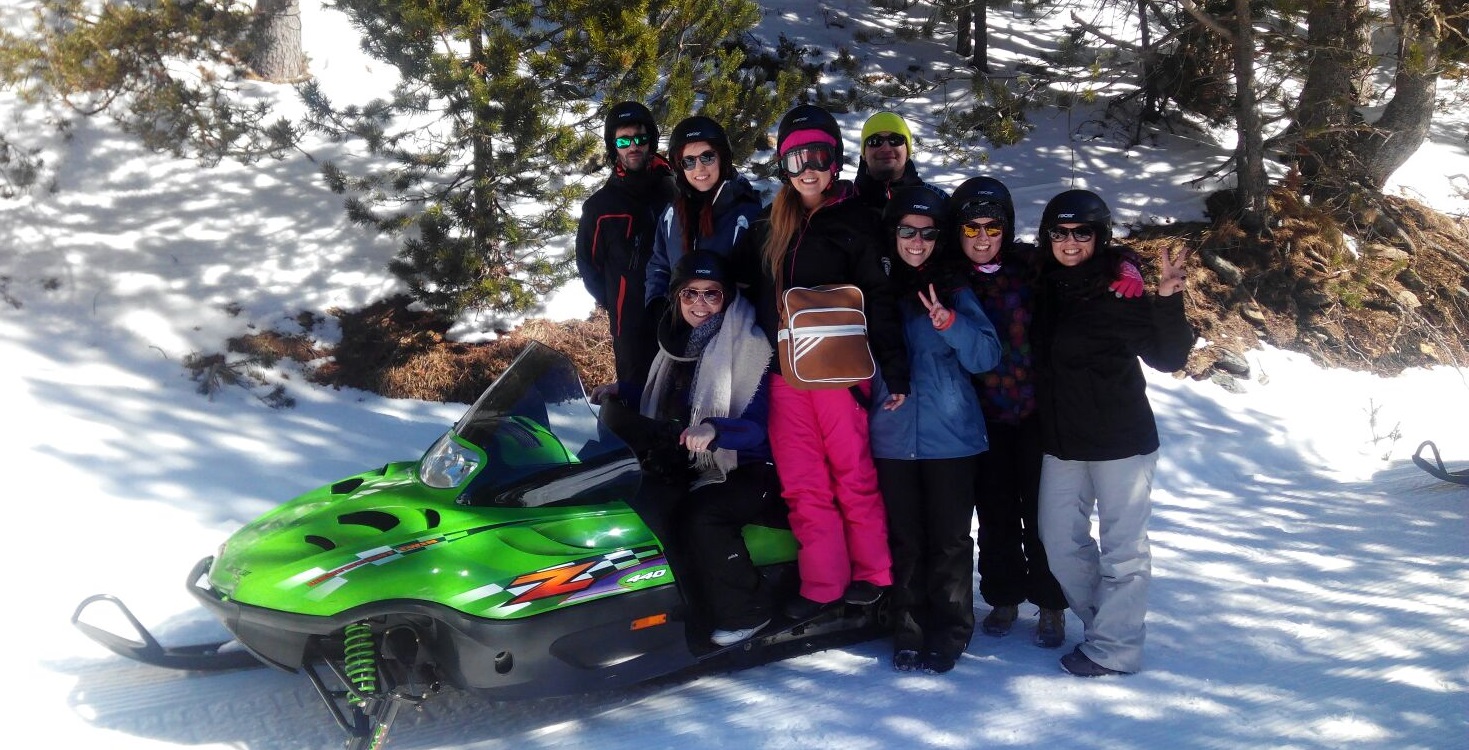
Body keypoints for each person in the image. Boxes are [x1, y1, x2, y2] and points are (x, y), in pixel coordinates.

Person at [734, 103, 910, 619]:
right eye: (795, 159)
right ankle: (822, 584)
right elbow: (736, 282)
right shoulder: (769, 223)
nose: (808, 168)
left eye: (819, 156)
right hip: (786, 375)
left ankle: (874, 573)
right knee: (802, 483)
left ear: (835, 160)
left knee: (852, 476)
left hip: (840, 374)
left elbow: (879, 296)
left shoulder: (858, 219)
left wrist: (893, 368)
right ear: (783, 167)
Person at [1030, 188, 1195, 677]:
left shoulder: (1120, 291)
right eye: (1060, 232)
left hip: (1121, 444)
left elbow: (1169, 358)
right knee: (1060, 544)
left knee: (1123, 552)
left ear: (1099, 236)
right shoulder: (1043, 285)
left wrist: (1166, 298)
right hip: (1061, 442)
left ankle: (1116, 649)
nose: (1070, 242)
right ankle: (1109, 624)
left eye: (1083, 232)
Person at [592, 250, 780, 647]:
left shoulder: (750, 349)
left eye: (712, 294)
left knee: (702, 515)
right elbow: (664, 396)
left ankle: (748, 612)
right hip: (691, 460)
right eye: (690, 294)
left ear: (727, 298)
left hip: (748, 465)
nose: (700, 304)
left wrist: (716, 429)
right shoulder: (676, 343)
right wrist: (621, 392)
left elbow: (763, 428)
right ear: (677, 298)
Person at [869, 185, 1002, 674]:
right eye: (907, 231)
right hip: (891, 435)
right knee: (905, 538)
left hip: (951, 437)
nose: (916, 242)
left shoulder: (953, 286)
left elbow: (987, 355)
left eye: (926, 233)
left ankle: (950, 632)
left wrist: (950, 324)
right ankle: (908, 629)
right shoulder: (874, 288)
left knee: (948, 540)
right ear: (893, 234)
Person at [948, 176, 1071, 649]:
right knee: (995, 515)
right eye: (971, 228)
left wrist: (1125, 266)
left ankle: (1051, 603)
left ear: (1007, 227)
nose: (982, 238)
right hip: (981, 421)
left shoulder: (1030, 266)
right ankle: (1003, 596)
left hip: (1035, 415)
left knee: (1043, 517)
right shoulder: (949, 277)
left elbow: (1087, 262)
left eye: (992, 227)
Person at [576, 101, 676, 396]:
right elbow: (588, 263)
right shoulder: (600, 207)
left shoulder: (675, 190)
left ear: (651, 141)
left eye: (640, 138)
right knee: (636, 391)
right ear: (613, 147)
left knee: (678, 391)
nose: (633, 146)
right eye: (623, 140)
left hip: (677, 310)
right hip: (629, 318)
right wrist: (615, 297)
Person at [644, 115, 762, 315]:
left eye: (707, 157)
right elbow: (660, 264)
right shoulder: (672, 214)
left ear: (722, 158)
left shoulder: (746, 214)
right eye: (688, 161)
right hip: (680, 328)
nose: (698, 168)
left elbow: (759, 280)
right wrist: (657, 304)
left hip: (731, 331)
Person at [852, 110, 941, 215]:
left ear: (907, 151)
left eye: (895, 140)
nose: (886, 148)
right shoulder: (843, 203)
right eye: (875, 141)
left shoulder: (936, 201)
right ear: (864, 154)